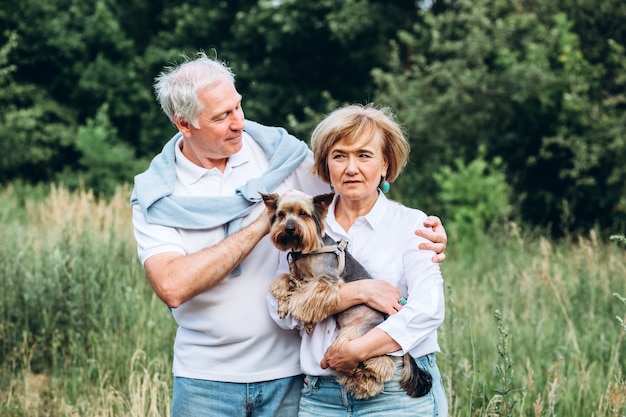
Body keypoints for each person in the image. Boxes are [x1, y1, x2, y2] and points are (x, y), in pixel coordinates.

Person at [130, 51, 448, 417]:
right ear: (184, 124)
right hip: (206, 376)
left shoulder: (278, 155)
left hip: (291, 376)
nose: (240, 123)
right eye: (222, 117)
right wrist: (264, 224)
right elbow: (172, 287)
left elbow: (358, 186)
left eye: (238, 106)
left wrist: (427, 230)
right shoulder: (158, 195)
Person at [268, 104, 448, 416]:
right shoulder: (304, 224)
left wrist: (357, 350)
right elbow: (281, 313)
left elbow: (429, 308)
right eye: (340, 156)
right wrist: (358, 292)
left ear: (385, 165)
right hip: (320, 396)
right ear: (326, 165)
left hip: (394, 392)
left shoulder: (411, 224)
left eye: (364, 155)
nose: (351, 167)